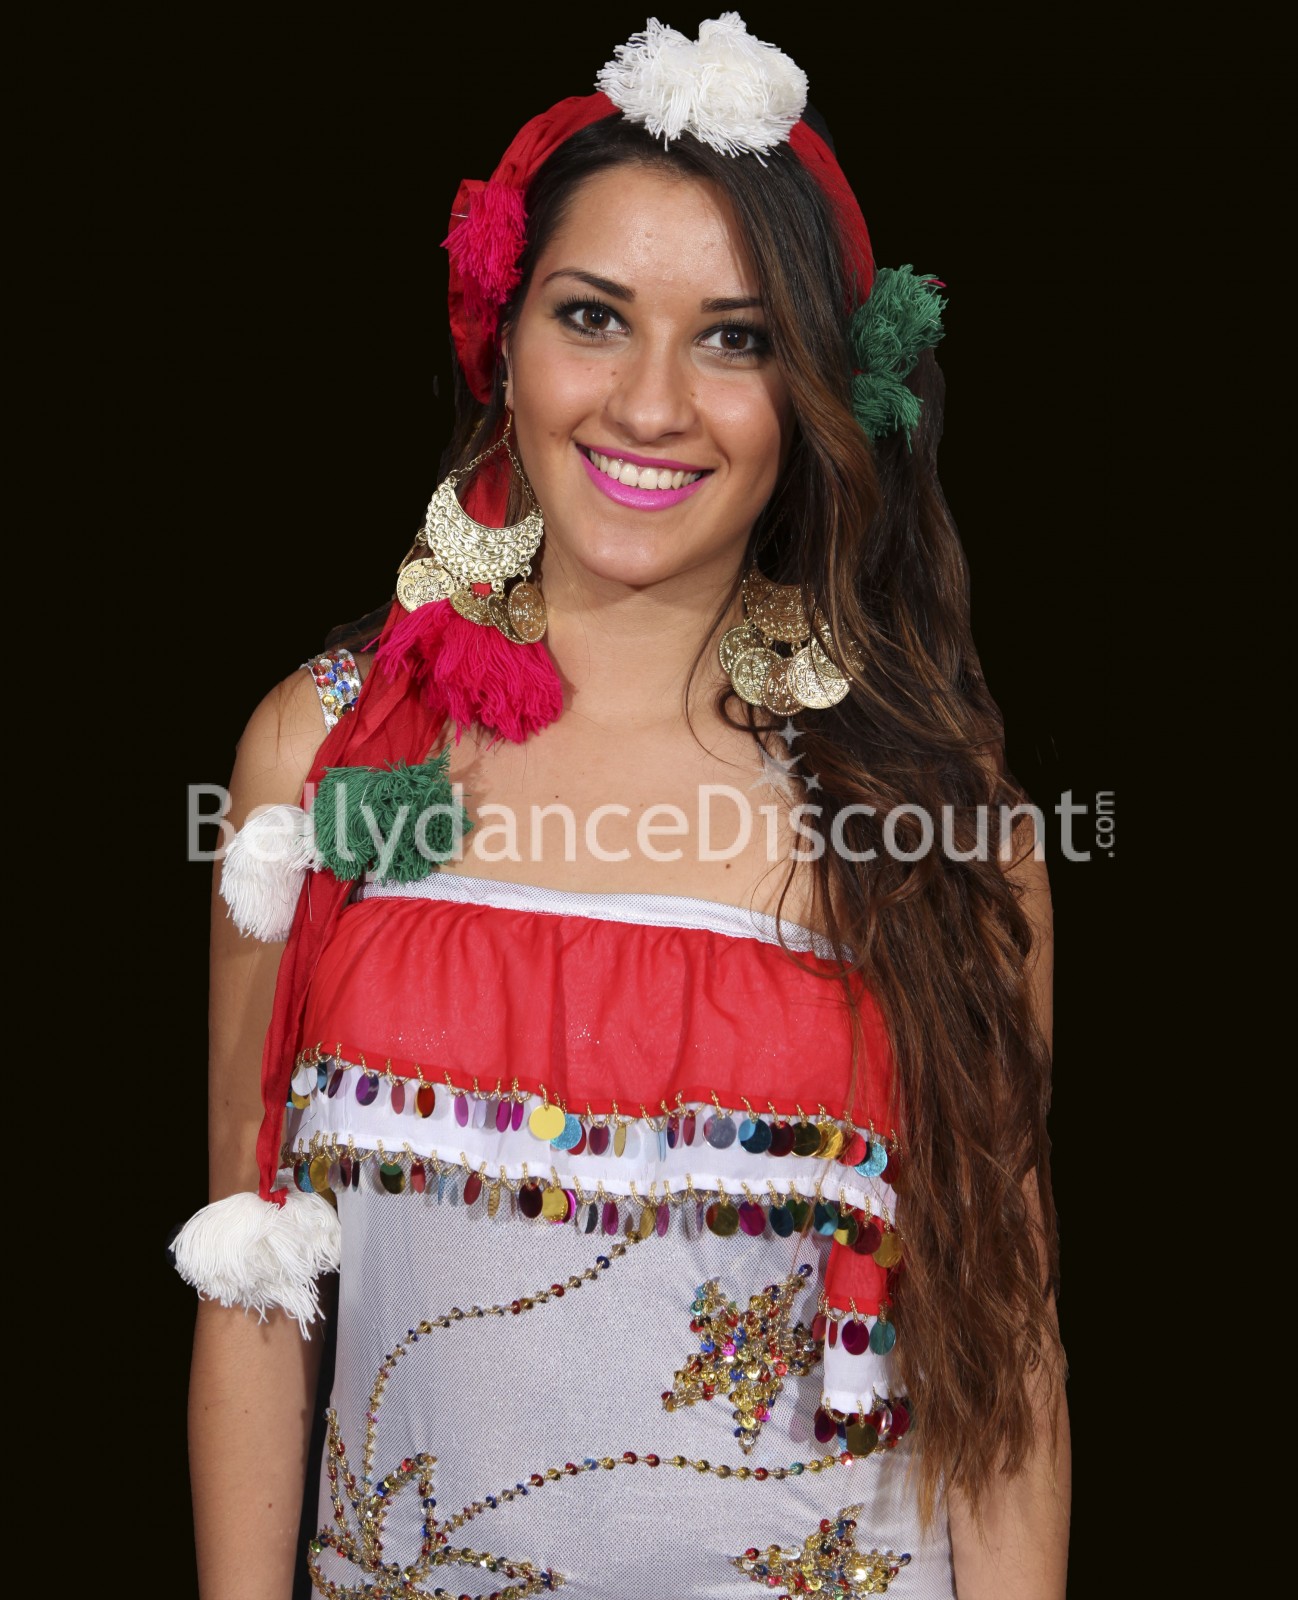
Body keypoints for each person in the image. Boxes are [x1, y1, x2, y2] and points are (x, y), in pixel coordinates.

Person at [178, 16, 1070, 1598]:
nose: (651, 405)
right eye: (593, 317)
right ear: (501, 338)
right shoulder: (329, 760)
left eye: (733, 339)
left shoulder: (929, 820)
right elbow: (251, 1297)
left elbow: (1004, 1350)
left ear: (813, 390)